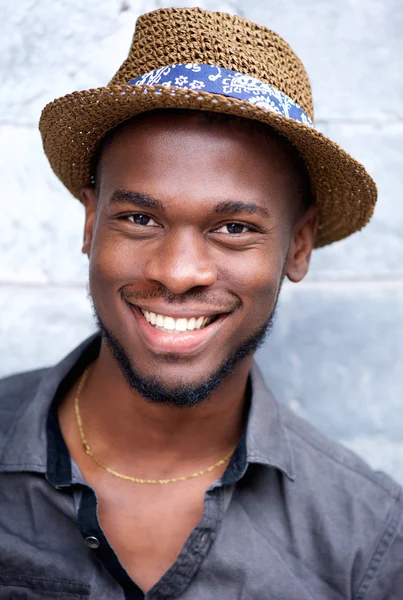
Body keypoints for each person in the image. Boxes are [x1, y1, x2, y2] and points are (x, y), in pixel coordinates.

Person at [0, 6, 401, 600]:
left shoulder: (366, 542)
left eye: (235, 227)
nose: (178, 273)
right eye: (139, 218)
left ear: (299, 245)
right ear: (91, 223)